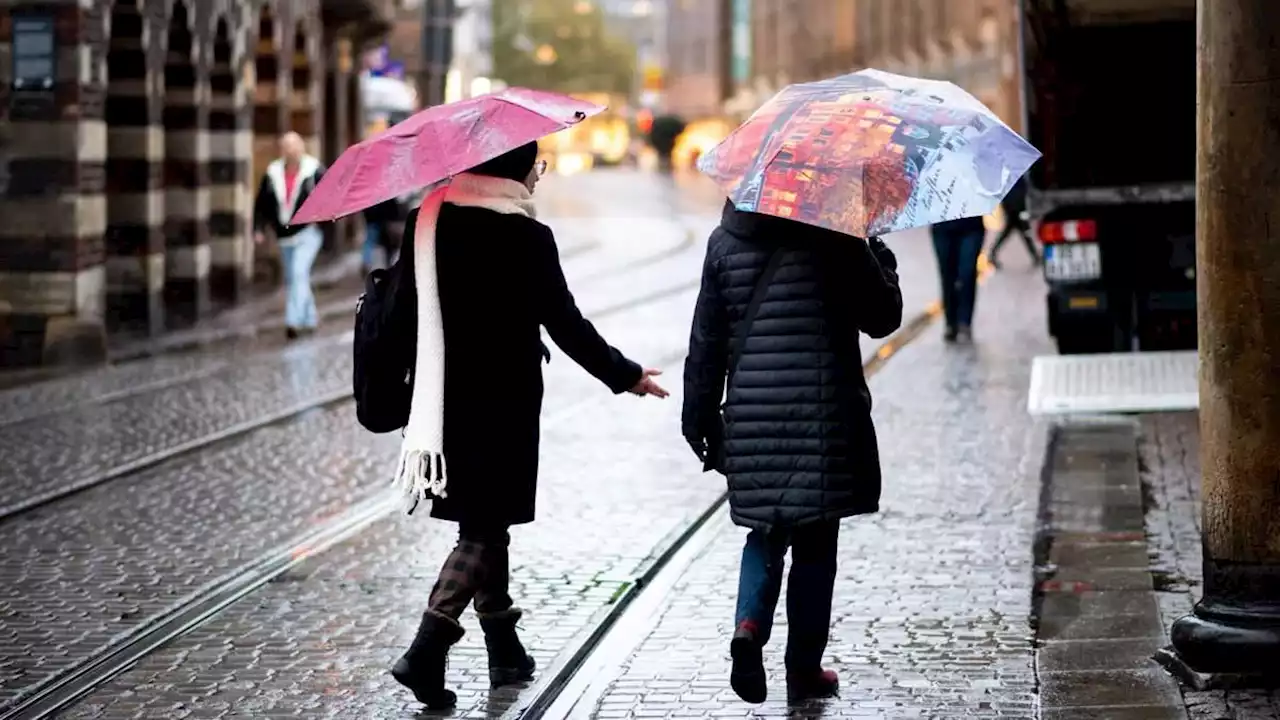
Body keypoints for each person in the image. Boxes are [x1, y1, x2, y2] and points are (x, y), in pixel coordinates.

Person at [387, 142, 669, 710]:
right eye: (535, 166)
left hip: (441, 401)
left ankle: (504, 649)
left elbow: (406, 309)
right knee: (484, 531)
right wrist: (626, 374)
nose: (538, 176)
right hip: (503, 405)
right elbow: (565, 323)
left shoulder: (428, 220)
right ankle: (425, 649)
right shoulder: (525, 236)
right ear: (514, 170)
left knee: (484, 520)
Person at [682, 201, 903, 705]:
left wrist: (698, 419)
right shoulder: (835, 234)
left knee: (765, 530)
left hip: (752, 412)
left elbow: (706, 340)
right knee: (815, 545)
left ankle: (748, 624)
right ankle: (803, 669)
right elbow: (882, 316)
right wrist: (877, 250)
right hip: (820, 412)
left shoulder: (724, 240)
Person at [253, 132, 326, 339]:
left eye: (294, 146)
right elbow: (261, 203)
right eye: (286, 146)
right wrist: (258, 228)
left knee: (298, 273)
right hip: (284, 235)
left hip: (308, 233)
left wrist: (319, 220)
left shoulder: (313, 170)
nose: (291, 150)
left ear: (301, 148)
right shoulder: (273, 172)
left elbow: (329, 196)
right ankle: (310, 317)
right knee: (294, 278)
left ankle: (292, 321)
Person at [930, 214, 987, 342]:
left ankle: (964, 321)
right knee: (947, 275)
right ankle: (950, 322)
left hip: (971, 227)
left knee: (967, 273)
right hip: (942, 226)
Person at [988, 176, 1039, 268]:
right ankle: (1035, 256)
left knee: (1018, 232)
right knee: (1024, 232)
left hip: (1014, 206)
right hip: (1016, 207)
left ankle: (992, 253)